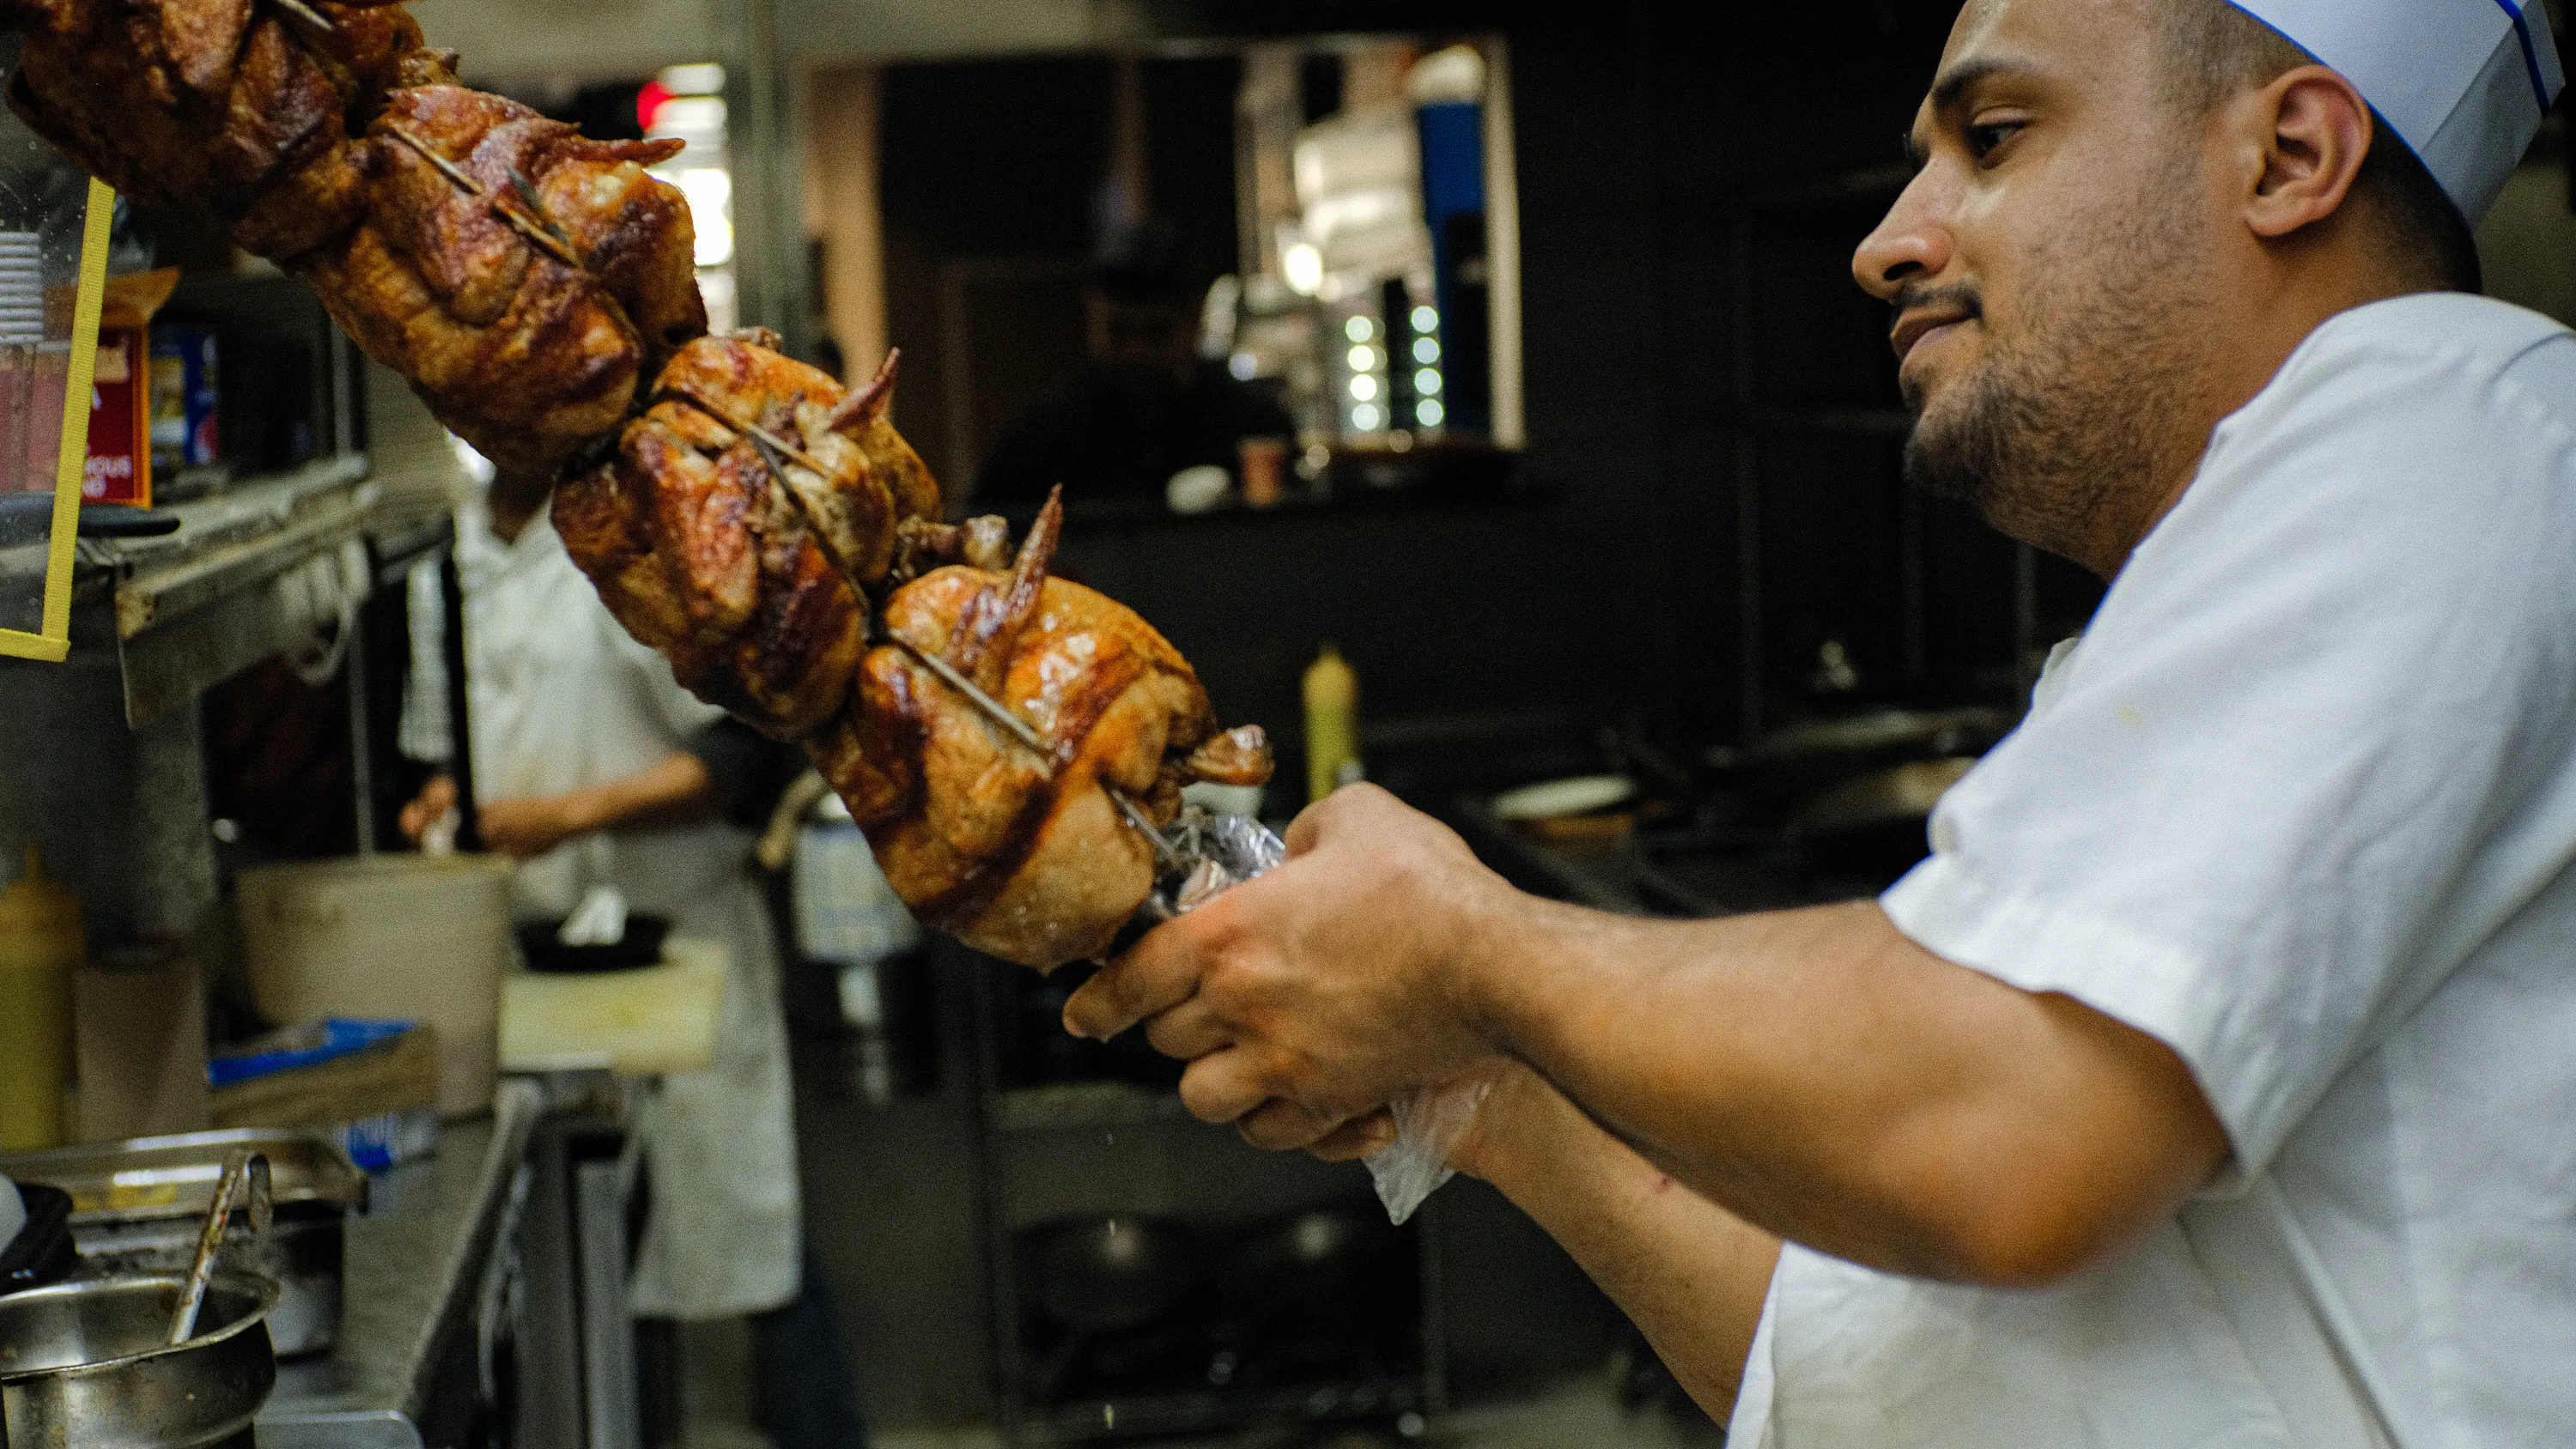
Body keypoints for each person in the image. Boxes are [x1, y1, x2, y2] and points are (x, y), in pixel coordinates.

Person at [1061, 1, 2576, 1444]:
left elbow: (2011, 1123)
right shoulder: (2183, 630)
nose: (1883, 244)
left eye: (1993, 135)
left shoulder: (2453, 417)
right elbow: (1872, 1377)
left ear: (2290, 155)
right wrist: (1480, 1089)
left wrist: (1467, 948)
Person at [399, 463, 869, 1449]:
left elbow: (748, 755)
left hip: (681, 945)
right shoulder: (439, 563)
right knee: (595, 1273)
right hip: (528, 972)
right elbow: (439, 749)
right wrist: (445, 802)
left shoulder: (637, 542)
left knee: (751, 1234)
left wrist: (571, 814)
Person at [974, 220, 1294, 508]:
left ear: (1195, 318)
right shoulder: (1040, 439)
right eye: (1119, 331)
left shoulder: (1255, 427)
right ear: (1092, 319)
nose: (1136, 352)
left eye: (1158, 332)